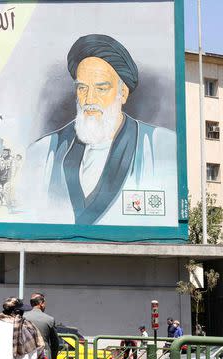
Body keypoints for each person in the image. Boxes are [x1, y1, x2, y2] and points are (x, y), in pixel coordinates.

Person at [21, 34, 176, 225]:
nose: (89, 99)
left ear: (123, 93)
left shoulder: (160, 146)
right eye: (82, 88)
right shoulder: (43, 152)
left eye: (101, 89)